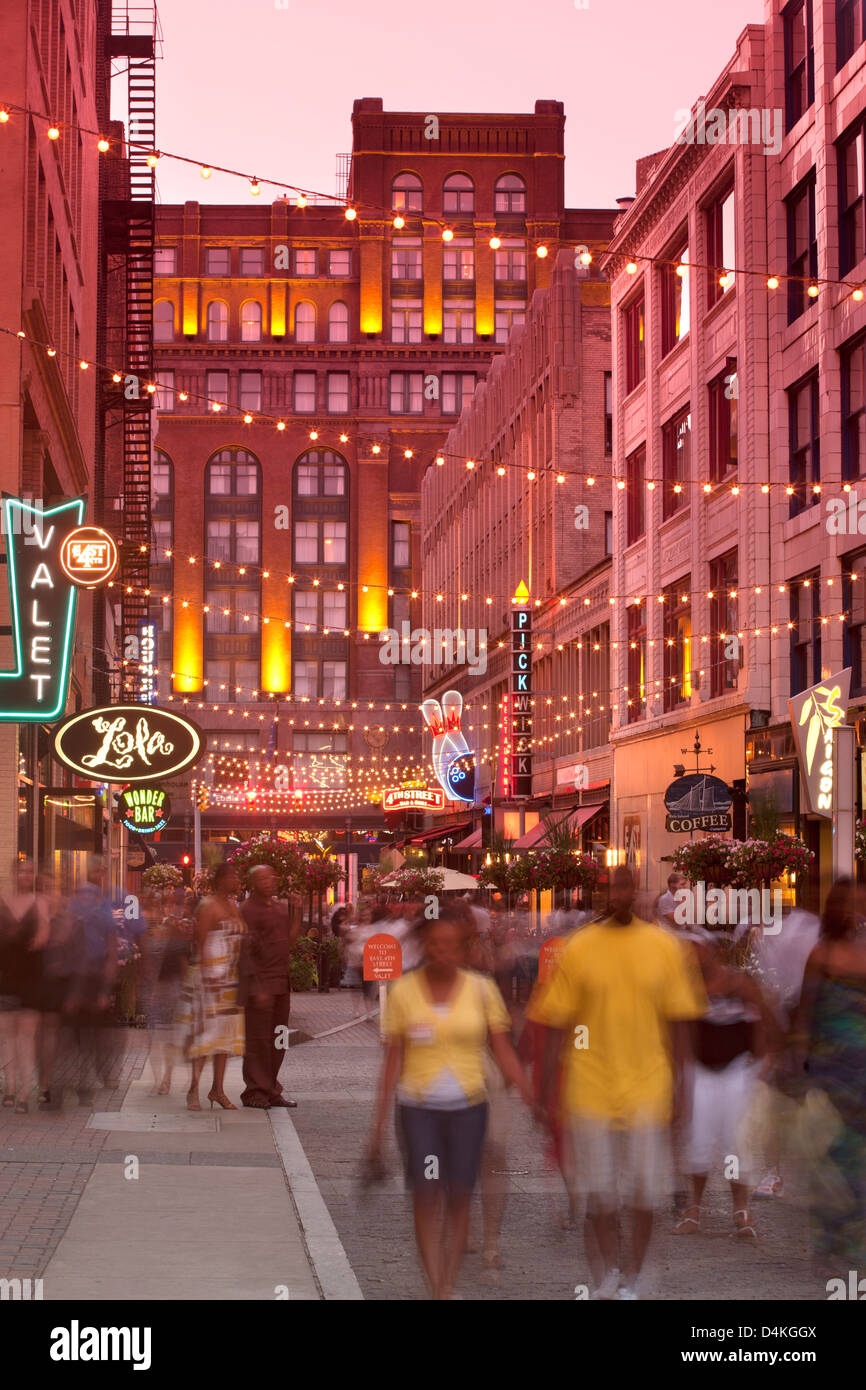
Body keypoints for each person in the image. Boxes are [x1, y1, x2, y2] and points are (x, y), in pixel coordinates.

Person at [529, 865, 706, 1300]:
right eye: (614, 888)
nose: (622, 895)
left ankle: (636, 1278)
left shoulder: (664, 948)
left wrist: (685, 1091)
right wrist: (543, 1090)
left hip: (649, 1090)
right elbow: (556, 1024)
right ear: (602, 894)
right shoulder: (580, 948)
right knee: (601, 1197)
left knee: (646, 1196)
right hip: (590, 1092)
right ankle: (608, 1277)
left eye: (629, 886)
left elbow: (680, 1024)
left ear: (639, 892)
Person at [366, 907, 535, 1300]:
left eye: (450, 946)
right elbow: (393, 1060)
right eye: (435, 945)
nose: (443, 952)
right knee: (426, 1194)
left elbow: (501, 1047)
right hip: (419, 1108)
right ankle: (436, 1286)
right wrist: (376, 1128)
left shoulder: (481, 989)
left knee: (459, 1195)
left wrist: (527, 1090)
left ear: (461, 949)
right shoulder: (404, 992)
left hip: (468, 1107)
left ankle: (447, 1283)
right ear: (424, 947)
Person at [673, 930, 778, 1240]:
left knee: (735, 1145)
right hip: (700, 1073)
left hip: (736, 1072)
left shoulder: (740, 984)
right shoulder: (687, 989)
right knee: (698, 1143)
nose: (692, 957)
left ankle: (741, 1210)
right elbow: (681, 1034)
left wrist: (762, 1065)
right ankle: (693, 1208)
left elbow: (761, 1024)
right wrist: (680, 1078)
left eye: (697, 951)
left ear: (714, 951)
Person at [791, 878, 866, 1278]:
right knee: (834, 1153)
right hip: (832, 1068)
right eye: (849, 906)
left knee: (859, 1155)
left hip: (864, 1069)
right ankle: (830, 1239)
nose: (856, 914)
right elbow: (805, 1010)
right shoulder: (821, 953)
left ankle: (852, 1238)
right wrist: (803, 1063)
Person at [239, 864, 303, 1109]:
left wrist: (298, 911)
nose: (269, 881)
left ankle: (271, 1087)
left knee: (278, 1038)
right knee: (257, 1040)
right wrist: (256, 986)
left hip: (280, 982)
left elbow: (291, 942)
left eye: (271, 877)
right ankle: (255, 1090)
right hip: (260, 987)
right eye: (263, 878)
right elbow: (245, 953)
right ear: (253, 882)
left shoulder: (279, 907)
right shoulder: (247, 910)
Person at [184, 861, 246, 1111]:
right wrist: (209, 973)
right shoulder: (208, 906)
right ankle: (193, 1089)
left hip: (230, 977)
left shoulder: (233, 905)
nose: (238, 881)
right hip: (210, 978)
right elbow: (199, 942)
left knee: (225, 1037)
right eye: (234, 877)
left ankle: (217, 1089)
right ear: (221, 879)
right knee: (206, 1036)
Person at [65, 856, 118, 1106]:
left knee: (93, 1033)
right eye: (81, 893)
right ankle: (81, 1078)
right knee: (76, 1034)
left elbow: (111, 945)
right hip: (74, 977)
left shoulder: (103, 910)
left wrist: (107, 984)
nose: (85, 896)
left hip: (95, 977)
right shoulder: (71, 910)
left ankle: (89, 1079)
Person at [0, 859, 50, 1112]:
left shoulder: (39, 902)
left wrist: (31, 940)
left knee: (26, 1036)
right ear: (13, 873)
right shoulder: (2, 901)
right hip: (5, 977)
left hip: (30, 976)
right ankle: (9, 1088)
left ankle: (22, 1092)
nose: (26, 875)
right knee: (7, 1035)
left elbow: (43, 936)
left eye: (30, 871)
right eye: (21, 870)